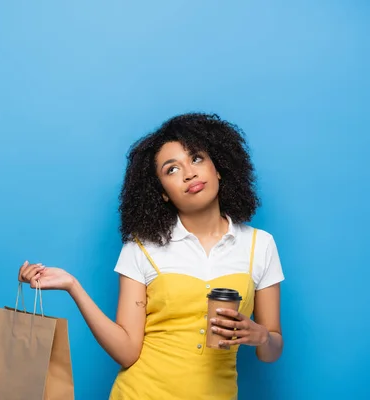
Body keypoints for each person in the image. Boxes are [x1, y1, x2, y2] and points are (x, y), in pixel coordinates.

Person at [18, 112, 284, 399]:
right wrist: (73, 286)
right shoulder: (142, 247)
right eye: (172, 169)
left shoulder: (260, 245)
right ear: (163, 194)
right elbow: (127, 352)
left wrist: (261, 337)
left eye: (196, 159)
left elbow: (271, 352)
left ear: (218, 168)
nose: (189, 173)